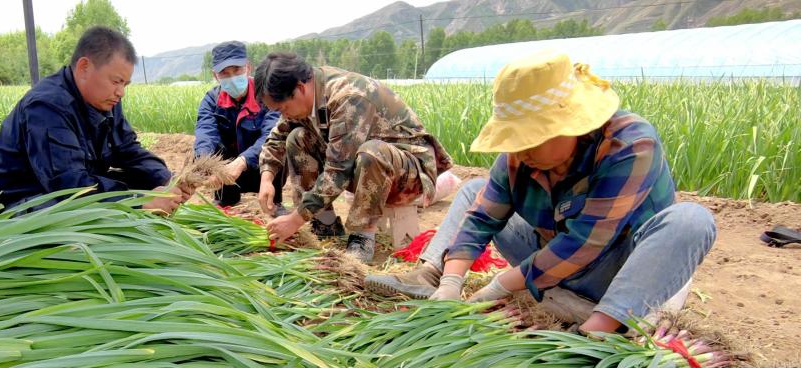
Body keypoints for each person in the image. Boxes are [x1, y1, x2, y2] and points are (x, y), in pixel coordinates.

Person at [366, 51, 716, 334]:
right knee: (475, 191)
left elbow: (586, 243)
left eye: (530, 138)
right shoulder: (520, 157)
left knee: (691, 220)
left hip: (622, 271)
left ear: (571, 125)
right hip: (548, 264)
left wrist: (502, 284)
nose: (518, 151)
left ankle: (598, 332)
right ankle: (432, 278)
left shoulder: (629, 145)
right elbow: (483, 217)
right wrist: (454, 280)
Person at [253, 52, 453, 262]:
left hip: (408, 174)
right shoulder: (308, 98)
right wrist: (267, 179)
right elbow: (277, 137)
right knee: (297, 137)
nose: (284, 115)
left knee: (372, 152)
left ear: (300, 88)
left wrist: (294, 220)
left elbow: (337, 172)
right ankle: (325, 224)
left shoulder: (348, 97)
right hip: (363, 170)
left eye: (283, 108)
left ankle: (362, 236)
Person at [0, 26, 186, 215]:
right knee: (96, 209)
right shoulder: (46, 106)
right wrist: (139, 201)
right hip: (21, 204)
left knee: (144, 181)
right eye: (116, 81)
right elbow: (68, 186)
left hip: (65, 186)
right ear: (84, 67)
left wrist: (166, 179)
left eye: (125, 83)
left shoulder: (107, 99)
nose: (121, 92)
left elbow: (127, 149)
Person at [194, 41, 286, 214]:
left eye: (236, 70)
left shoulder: (266, 95)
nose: (232, 77)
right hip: (225, 174)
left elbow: (270, 135)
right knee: (207, 150)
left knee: (280, 143)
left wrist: (242, 161)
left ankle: (274, 200)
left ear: (248, 68)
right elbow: (205, 134)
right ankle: (225, 198)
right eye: (225, 73)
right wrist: (205, 166)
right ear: (216, 76)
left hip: (260, 168)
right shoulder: (211, 100)